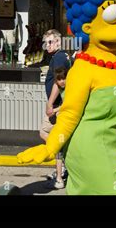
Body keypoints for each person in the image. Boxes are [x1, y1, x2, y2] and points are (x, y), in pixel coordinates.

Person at [39, 29, 71, 183]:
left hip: (58, 106)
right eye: (46, 42)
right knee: (53, 136)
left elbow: (59, 83)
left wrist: (50, 104)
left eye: (50, 42)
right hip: (60, 105)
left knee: (48, 134)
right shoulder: (61, 56)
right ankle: (63, 165)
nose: (48, 45)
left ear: (58, 42)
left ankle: (63, 167)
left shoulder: (58, 58)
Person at [44, 67, 68, 189]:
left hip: (68, 118)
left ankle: (59, 177)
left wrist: (53, 110)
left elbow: (68, 104)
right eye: (59, 79)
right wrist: (49, 106)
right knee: (44, 134)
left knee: (59, 147)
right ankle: (61, 172)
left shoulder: (70, 88)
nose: (62, 81)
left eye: (64, 78)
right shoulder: (59, 87)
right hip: (63, 116)